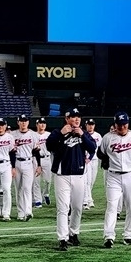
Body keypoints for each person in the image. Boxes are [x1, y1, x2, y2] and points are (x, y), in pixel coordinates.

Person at [46, 108, 97, 251]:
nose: (76, 119)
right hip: (62, 176)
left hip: (79, 175)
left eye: (78, 117)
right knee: (62, 208)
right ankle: (62, 238)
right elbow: (49, 145)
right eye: (73, 117)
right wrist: (62, 134)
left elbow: (93, 148)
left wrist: (83, 136)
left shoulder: (83, 133)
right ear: (67, 119)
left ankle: (73, 233)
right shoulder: (57, 132)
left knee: (77, 207)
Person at [98, 111, 131, 248]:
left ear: (127, 124)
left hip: (130, 175)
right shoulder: (107, 138)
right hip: (113, 176)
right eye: (119, 124)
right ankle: (109, 236)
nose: (122, 127)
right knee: (111, 206)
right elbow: (101, 154)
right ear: (115, 124)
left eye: (124, 124)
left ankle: (129, 235)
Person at [11, 114, 41, 221]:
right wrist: (12, 167)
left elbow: (37, 152)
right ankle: (20, 213)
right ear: (18, 122)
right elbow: (11, 152)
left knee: (27, 188)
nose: (23, 123)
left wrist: (39, 165)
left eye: (25, 121)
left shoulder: (33, 135)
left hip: (29, 162)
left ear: (28, 122)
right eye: (21, 121)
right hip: (17, 163)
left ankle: (28, 211)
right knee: (18, 188)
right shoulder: (12, 135)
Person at [83, 118, 103, 210]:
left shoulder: (98, 136)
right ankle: (87, 200)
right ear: (86, 125)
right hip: (86, 160)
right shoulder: (83, 134)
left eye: (92, 124)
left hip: (95, 160)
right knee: (87, 180)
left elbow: (100, 149)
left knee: (92, 181)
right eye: (89, 124)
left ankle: (85, 198)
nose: (91, 126)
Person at [32, 118, 52, 207]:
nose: (42, 125)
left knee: (48, 180)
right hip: (36, 159)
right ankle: (38, 200)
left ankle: (46, 194)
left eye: (44, 123)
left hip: (47, 158)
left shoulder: (49, 135)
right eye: (40, 123)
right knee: (36, 181)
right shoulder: (33, 135)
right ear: (37, 125)